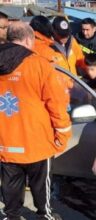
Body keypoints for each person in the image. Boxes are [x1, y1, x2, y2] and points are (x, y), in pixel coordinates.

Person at [0, 21, 71, 220]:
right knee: (41, 185)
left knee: (10, 185)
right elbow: (56, 104)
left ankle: (11, 215)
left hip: (6, 142)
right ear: (29, 39)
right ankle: (45, 214)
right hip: (37, 141)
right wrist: (63, 134)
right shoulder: (40, 65)